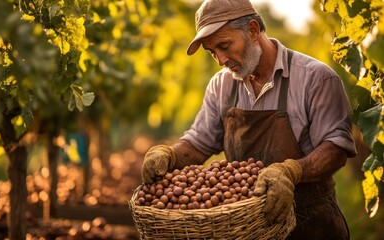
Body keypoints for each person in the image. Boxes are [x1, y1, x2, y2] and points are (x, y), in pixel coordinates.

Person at [141, 0, 357, 239]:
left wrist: (292, 171)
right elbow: (199, 142)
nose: (221, 60)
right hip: (248, 228)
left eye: (224, 45)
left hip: (311, 224)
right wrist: (170, 154)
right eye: (213, 52)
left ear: (253, 30)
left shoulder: (316, 78)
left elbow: (336, 148)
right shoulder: (221, 85)